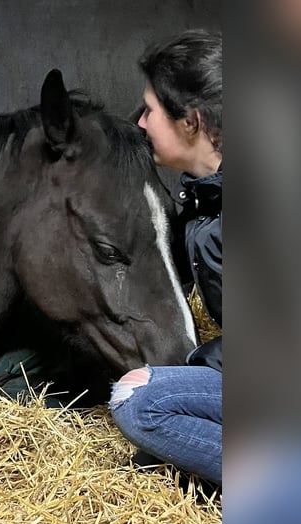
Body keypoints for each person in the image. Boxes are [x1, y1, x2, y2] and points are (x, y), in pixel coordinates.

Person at [109, 29, 222, 485]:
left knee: (136, 400)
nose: (139, 123)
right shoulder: (207, 199)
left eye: (151, 110)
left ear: (191, 121)